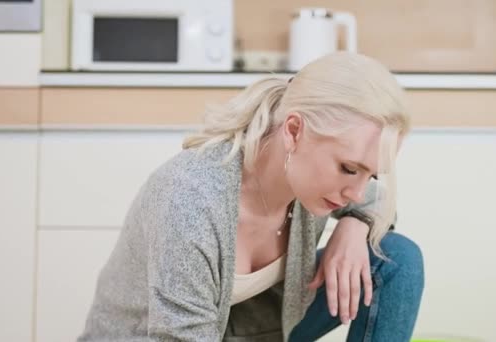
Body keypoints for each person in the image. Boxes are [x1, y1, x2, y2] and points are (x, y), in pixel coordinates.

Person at [78, 51, 424, 342]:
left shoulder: (318, 178)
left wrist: (354, 226)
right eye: (349, 169)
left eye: (371, 174)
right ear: (293, 131)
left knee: (397, 259)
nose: (358, 191)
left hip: (256, 326)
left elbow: (375, 202)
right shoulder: (190, 199)